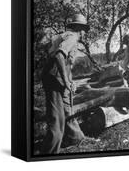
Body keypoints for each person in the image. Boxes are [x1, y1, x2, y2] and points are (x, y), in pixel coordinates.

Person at [40, 14, 90, 154]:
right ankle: (48, 154)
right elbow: (59, 55)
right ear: (79, 29)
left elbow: (64, 61)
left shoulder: (65, 36)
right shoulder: (72, 37)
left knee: (62, 116)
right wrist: (66, 80)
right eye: (84, 29)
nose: (84, 33)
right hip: (54, 78)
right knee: (57, 120)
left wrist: (70, 81)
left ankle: (72, 138)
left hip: (54, 77)